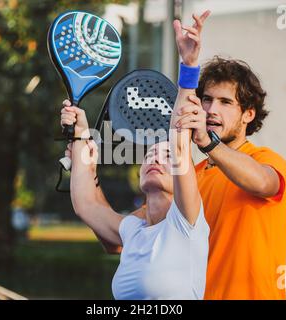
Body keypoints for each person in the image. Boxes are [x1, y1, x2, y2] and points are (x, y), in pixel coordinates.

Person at [85, 10, 286, 300]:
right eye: (206, 99)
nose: (211, 110)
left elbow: (263, 183)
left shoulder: (265, 158)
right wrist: (84, 158)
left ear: (248, 114)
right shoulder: (189, 178)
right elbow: (120, 238)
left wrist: (206, 142)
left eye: (225, 102)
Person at [60, 72, 211, 298]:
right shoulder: (133, 230)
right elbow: (86, 203)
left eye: (167, 156)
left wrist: (189, 65)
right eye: (150, 154)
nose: (156, 159)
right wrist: (80, 134)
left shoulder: (186, 224)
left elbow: (180, 143)